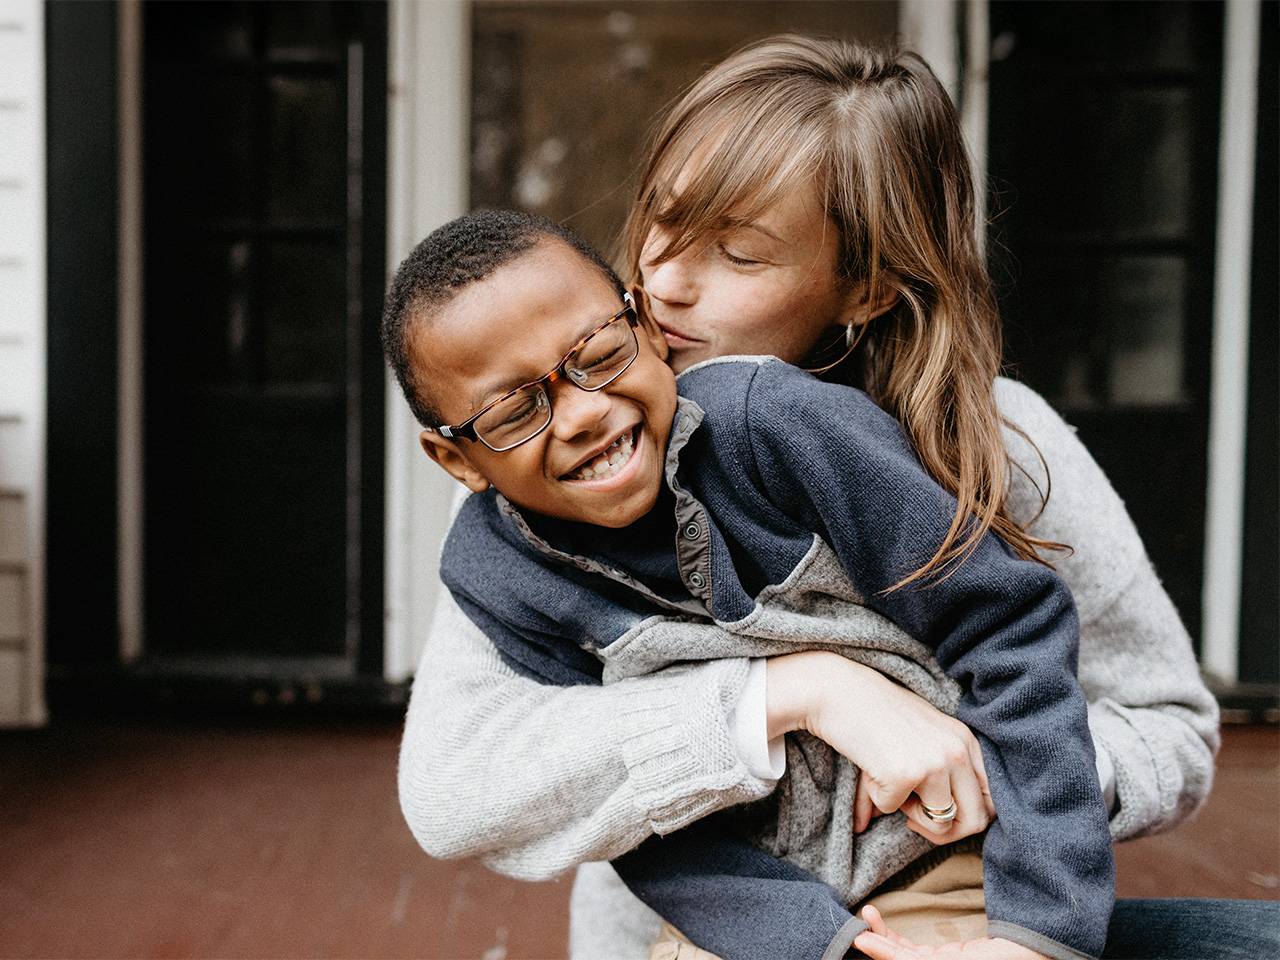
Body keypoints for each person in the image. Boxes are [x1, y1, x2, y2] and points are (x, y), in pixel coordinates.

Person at [395, 36, 1255, 959]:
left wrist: (978, 775)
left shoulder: (1001, 442)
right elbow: (455, 785)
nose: (666, 281)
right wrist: (792, 696)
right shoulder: (541, 478)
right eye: (664, 221)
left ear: (866, 290)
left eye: (739, 254)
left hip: (969, 904)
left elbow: (1168, 727)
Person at [384, 207, 1116, 960]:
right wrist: (812, 943)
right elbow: (635, 812)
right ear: (458, 461)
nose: (583, 413)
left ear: (644, 323)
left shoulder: (777, 426)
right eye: (515, 412)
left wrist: (1042, 926)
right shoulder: (500, 574)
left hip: (944, 857)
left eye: (598, 354)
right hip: (754, 922)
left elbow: (1008, 625)